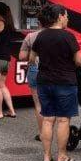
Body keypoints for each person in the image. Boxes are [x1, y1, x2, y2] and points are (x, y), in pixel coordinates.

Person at [31, 4, 81, 161]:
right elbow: (79, 61)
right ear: (60, 17)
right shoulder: (69, 37)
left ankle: (47, 156)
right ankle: (61, 156)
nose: (68, 18)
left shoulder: (41, 36)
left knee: (47, 119)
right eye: (66, 15)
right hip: (65, 83)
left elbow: (32, 58)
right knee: (63, 120)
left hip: (44, 82)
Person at [18, 9, 52, 141]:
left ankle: (42, 133)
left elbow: (21, 56)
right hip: (51, 71)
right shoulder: (56, 35)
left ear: (38, 22)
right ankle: (51, 131)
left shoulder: (30, 36)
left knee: (38, 104)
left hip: (34, 69)